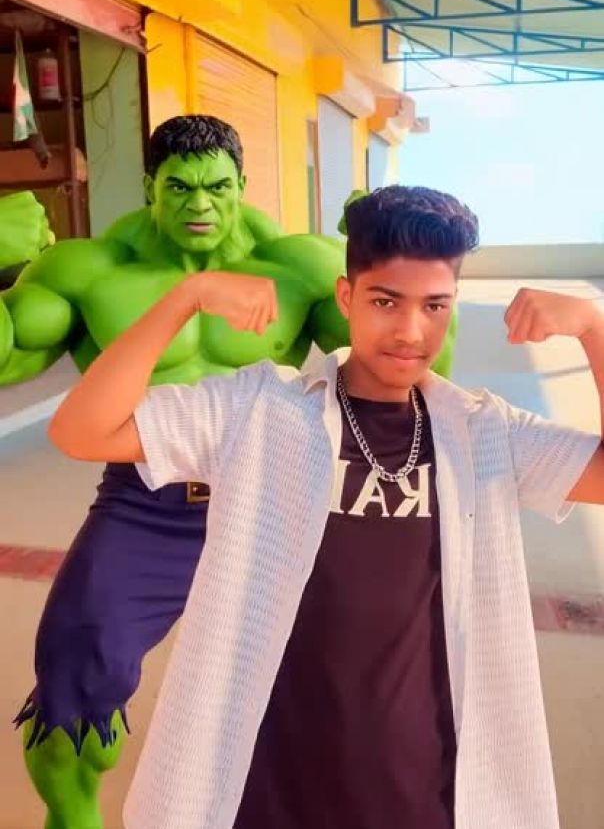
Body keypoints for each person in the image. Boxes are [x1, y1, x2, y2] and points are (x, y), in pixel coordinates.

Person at [48, 184, 604, 829]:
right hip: (270, 777)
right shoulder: (261, 409)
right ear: (346, 298)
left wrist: (595, 328)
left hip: (424, 780)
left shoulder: (484, 431)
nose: (410, 331)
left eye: (434, 306)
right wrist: (184, 299)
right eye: (385, 301)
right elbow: (82, 432)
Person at [1, 116, 459, 828]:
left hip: (276, 495)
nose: (200, 204)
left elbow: (421, 371)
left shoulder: (298, 267)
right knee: (74, 690)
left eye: (217, 187)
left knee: (343, 694)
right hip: (147, 502)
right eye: (179, 188)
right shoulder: (91, 270)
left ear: (242, 184)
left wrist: (389, 261)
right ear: (150, 185)